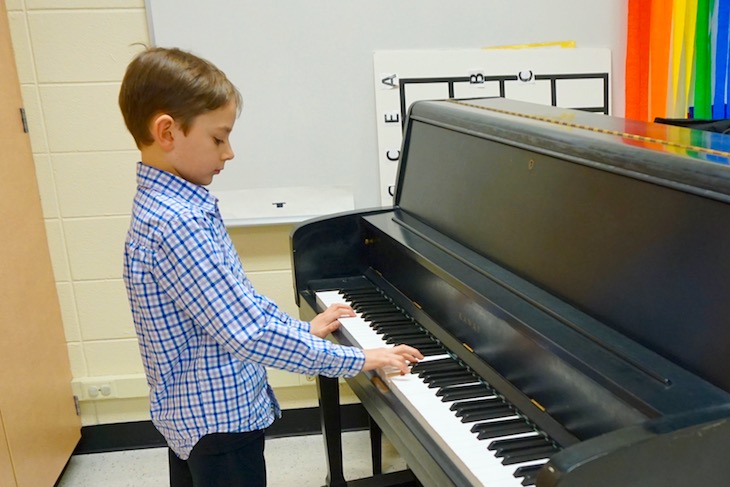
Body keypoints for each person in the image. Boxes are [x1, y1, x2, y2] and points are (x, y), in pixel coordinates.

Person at [118, 47, 423, 487]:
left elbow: (236, 304)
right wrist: (358, 358)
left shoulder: (167, 205)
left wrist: (305, 330)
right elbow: (248, 333)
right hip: (218, 422)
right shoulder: (177, 223)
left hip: (192, 415)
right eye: (218, 138)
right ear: (167, 131)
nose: (229, 153)